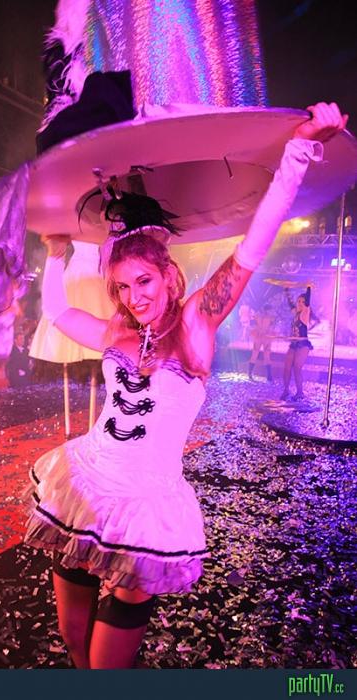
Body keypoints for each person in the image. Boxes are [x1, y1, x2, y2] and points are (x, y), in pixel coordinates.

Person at [24, 103, 347, 669]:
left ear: (169, 275)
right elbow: (58, 312)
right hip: (84, 487)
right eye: (123, 287)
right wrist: (55, 257)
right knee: (72, 639)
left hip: (146, 506)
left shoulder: (198, 321)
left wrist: (298, 150)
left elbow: (252, 248)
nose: (135, 297)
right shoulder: (118, 330)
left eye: (144, 281)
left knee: (105, 668)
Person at [280, 284, 316, 401]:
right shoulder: (295, 313)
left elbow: (308, 301)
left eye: (302, 302)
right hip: (294, 344)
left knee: (297, 369)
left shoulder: (305, 313)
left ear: (305, 304)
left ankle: (300, 392)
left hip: (303, 345)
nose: (300, 303)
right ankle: (286, 390)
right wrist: (286, 289)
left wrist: (308, 288)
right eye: (298, 301)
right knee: (286, 368)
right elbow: (290, 303)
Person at [248, 303, 275, 381]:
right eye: (270, 310)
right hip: (261, 336)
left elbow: (271, 326)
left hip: (264, 336)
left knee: (265, 354)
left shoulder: (267, 317)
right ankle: (250, 373)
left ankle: (268, 375)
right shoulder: (262, 316)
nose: (270, 312)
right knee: (256, 353)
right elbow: (254, 324)